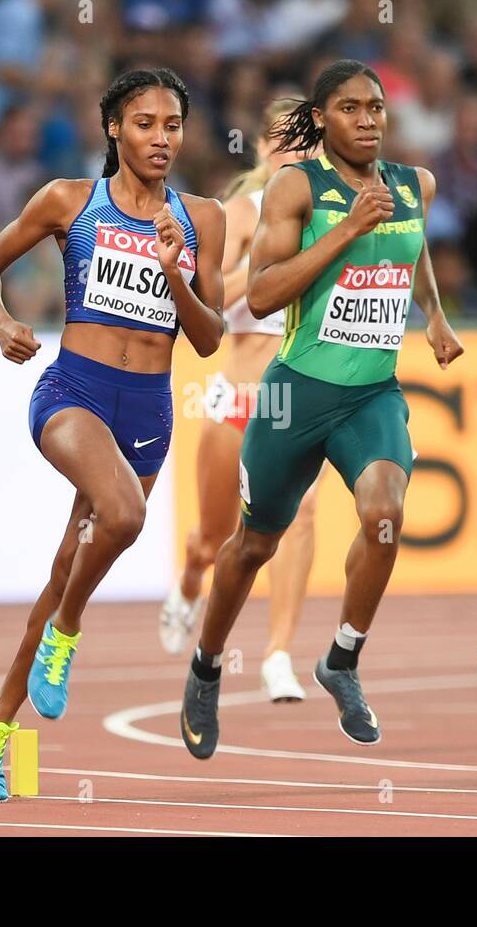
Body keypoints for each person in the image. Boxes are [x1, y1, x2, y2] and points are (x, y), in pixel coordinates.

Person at [179, 59, 463, 759]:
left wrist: (433, 314)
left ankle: (342, 658)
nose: (367, 120)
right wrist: (344, 231)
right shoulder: (295, 188)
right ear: (320, 119)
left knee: (385, 515)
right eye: (350, 108)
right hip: (294, 394)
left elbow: (413, 249)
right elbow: (262, 295)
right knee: (253, 545)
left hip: (371, 395)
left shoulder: (414, 185)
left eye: (376, 108)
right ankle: (207, 667)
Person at [0, 67, 225, 800]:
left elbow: (209, 339)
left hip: (147, 413)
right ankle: (67, 633)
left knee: (62, 569)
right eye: (145, 124)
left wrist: (175, 275)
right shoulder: (69, 200)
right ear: (114, 129)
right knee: (125, 514)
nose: (161, 138)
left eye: (172, 125)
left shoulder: (203, 219)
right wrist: (2, 321)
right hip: (73, 393)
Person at [159, 98, 322, 703]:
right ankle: (191, 576)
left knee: (300, 516)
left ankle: (278, 654)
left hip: (299, 400)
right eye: (283, 143)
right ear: (261, 149)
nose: (294, 154)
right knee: (216, 536)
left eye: (305, 144)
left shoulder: (331, 218)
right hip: (240, 398)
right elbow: (208, 297)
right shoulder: (241, 213)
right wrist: (258, 270)